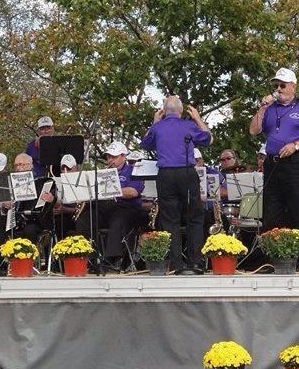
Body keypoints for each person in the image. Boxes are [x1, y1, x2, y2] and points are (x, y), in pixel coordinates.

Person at [249, 67, 299, 254]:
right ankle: (271, 255)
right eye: (276, 85)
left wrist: (296, 145)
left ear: (293, 86)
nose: (279, 89)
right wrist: (262, 108)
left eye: (283, 85)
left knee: (298, 210)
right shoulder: (270, 109)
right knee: (271, 211)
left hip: (295, 163)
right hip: (273, 163)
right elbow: (254, 131)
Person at [140, 96, 212, 272]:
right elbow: (209, 139)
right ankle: (195, 262)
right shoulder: (188, 125)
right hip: (186, 173)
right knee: (194, 218)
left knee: (170, 220)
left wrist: (155, 121)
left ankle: (175, 264)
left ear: (164, 111)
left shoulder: (157, 127)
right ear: (181, 111)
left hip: (165, 175)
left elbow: (145, 144)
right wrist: (197, 118)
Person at [75, 142, 146, 270]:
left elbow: (133, 192)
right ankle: (90, 257)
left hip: (127, 208)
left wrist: (111, 190)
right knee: (85, 219)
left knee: (118, 220)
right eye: (109, 157)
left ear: (123, 156)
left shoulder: (134, 171)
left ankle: (112, 259)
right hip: (105, 207)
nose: (110, 160)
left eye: (114, 157)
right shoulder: (103, 172)